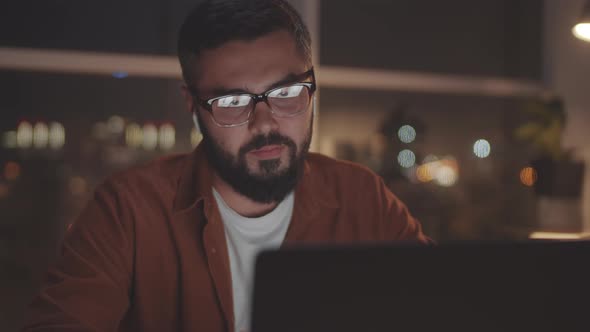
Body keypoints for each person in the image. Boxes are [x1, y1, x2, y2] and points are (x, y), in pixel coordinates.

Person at [22, 0, 431, 331]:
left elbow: (442, 307)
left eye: (286, 92)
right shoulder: (128, 209)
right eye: (233, 102)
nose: (266, 122)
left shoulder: (362, 197)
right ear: (192, 106)